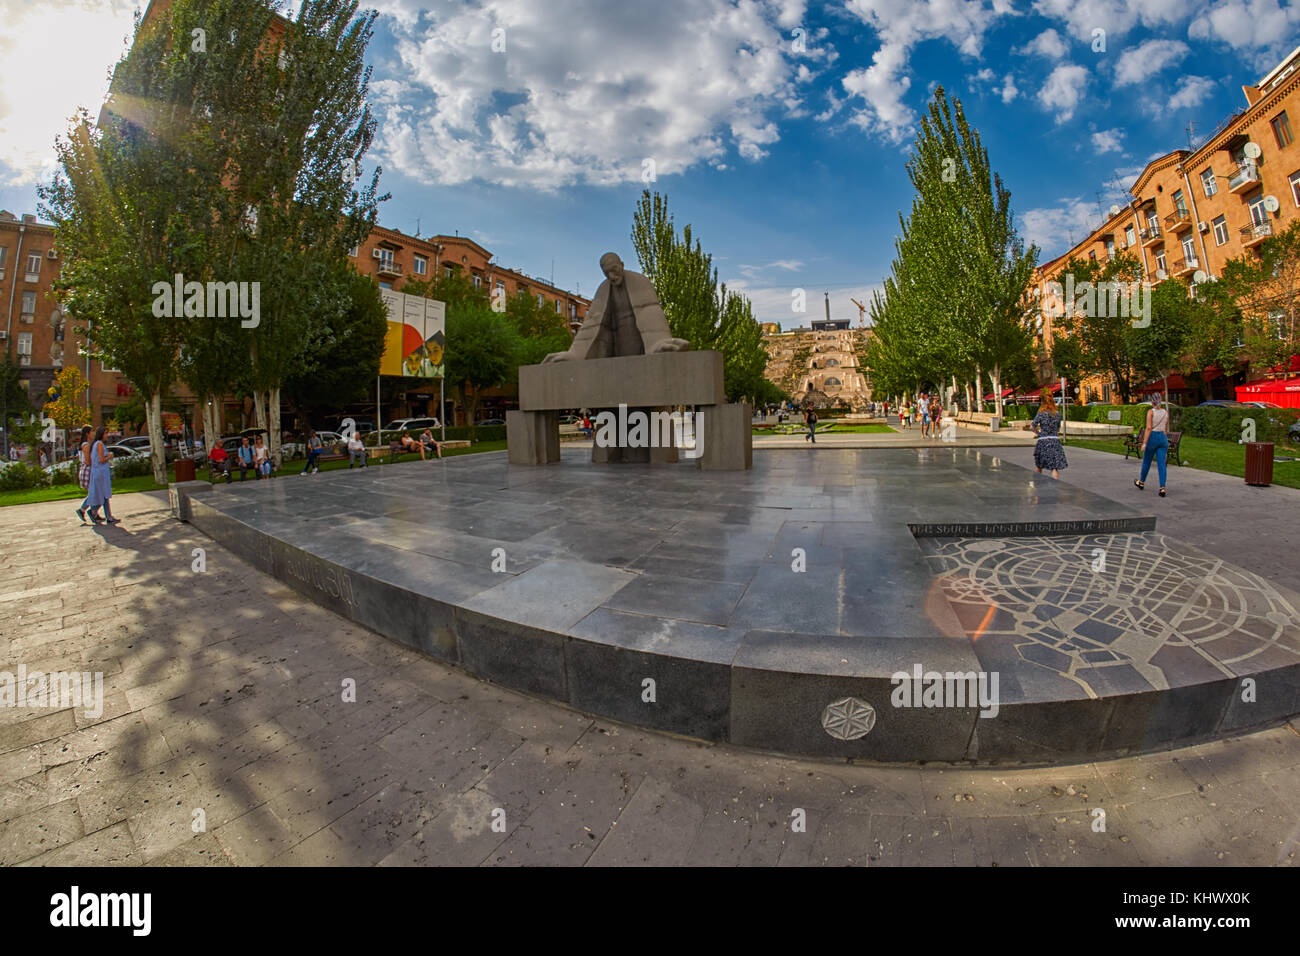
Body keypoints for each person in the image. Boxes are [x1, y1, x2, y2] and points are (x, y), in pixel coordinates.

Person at [1135, 394, 1170, 497]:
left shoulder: (1151, 412)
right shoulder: (1165, 413)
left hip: (1152, 437)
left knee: (1147, 461)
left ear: (1152, 402)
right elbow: (1165, 428)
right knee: (1161, 464)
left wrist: (1144, 443)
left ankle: (1141, 482)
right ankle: (1162, 488)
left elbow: (1149, 428)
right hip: (1163, 438)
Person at [84, 426, 118, 524]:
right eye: (106, 433)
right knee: (103, 494)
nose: (107, 435)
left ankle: (107, 516)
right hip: (100, 473)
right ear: (101, 434)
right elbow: (101, 459)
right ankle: (94, 511)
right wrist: (109, 456)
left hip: (100, 472)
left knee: (103, 495)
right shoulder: (99, 444)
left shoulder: (96, 444)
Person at [1031, 392, 1067, 480]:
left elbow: (1032, 426)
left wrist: (1038, 433)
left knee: (1039, 466)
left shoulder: (1041, 413)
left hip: (1043, 441)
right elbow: (1058, 428)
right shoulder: (1057, 414)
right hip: (1054, 441)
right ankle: (1056, 485)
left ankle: (1038, 484)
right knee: (1054, 467)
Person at [74, 426, 94, 523]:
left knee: (94, 492)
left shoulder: (83, 444)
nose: (93, 433)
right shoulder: (86, 445)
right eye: (92, 431)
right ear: (87, 434)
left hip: (84, 470)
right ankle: (83, 510)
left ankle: (93, 512)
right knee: (94, 493)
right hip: (87, 470)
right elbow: (87, 461)